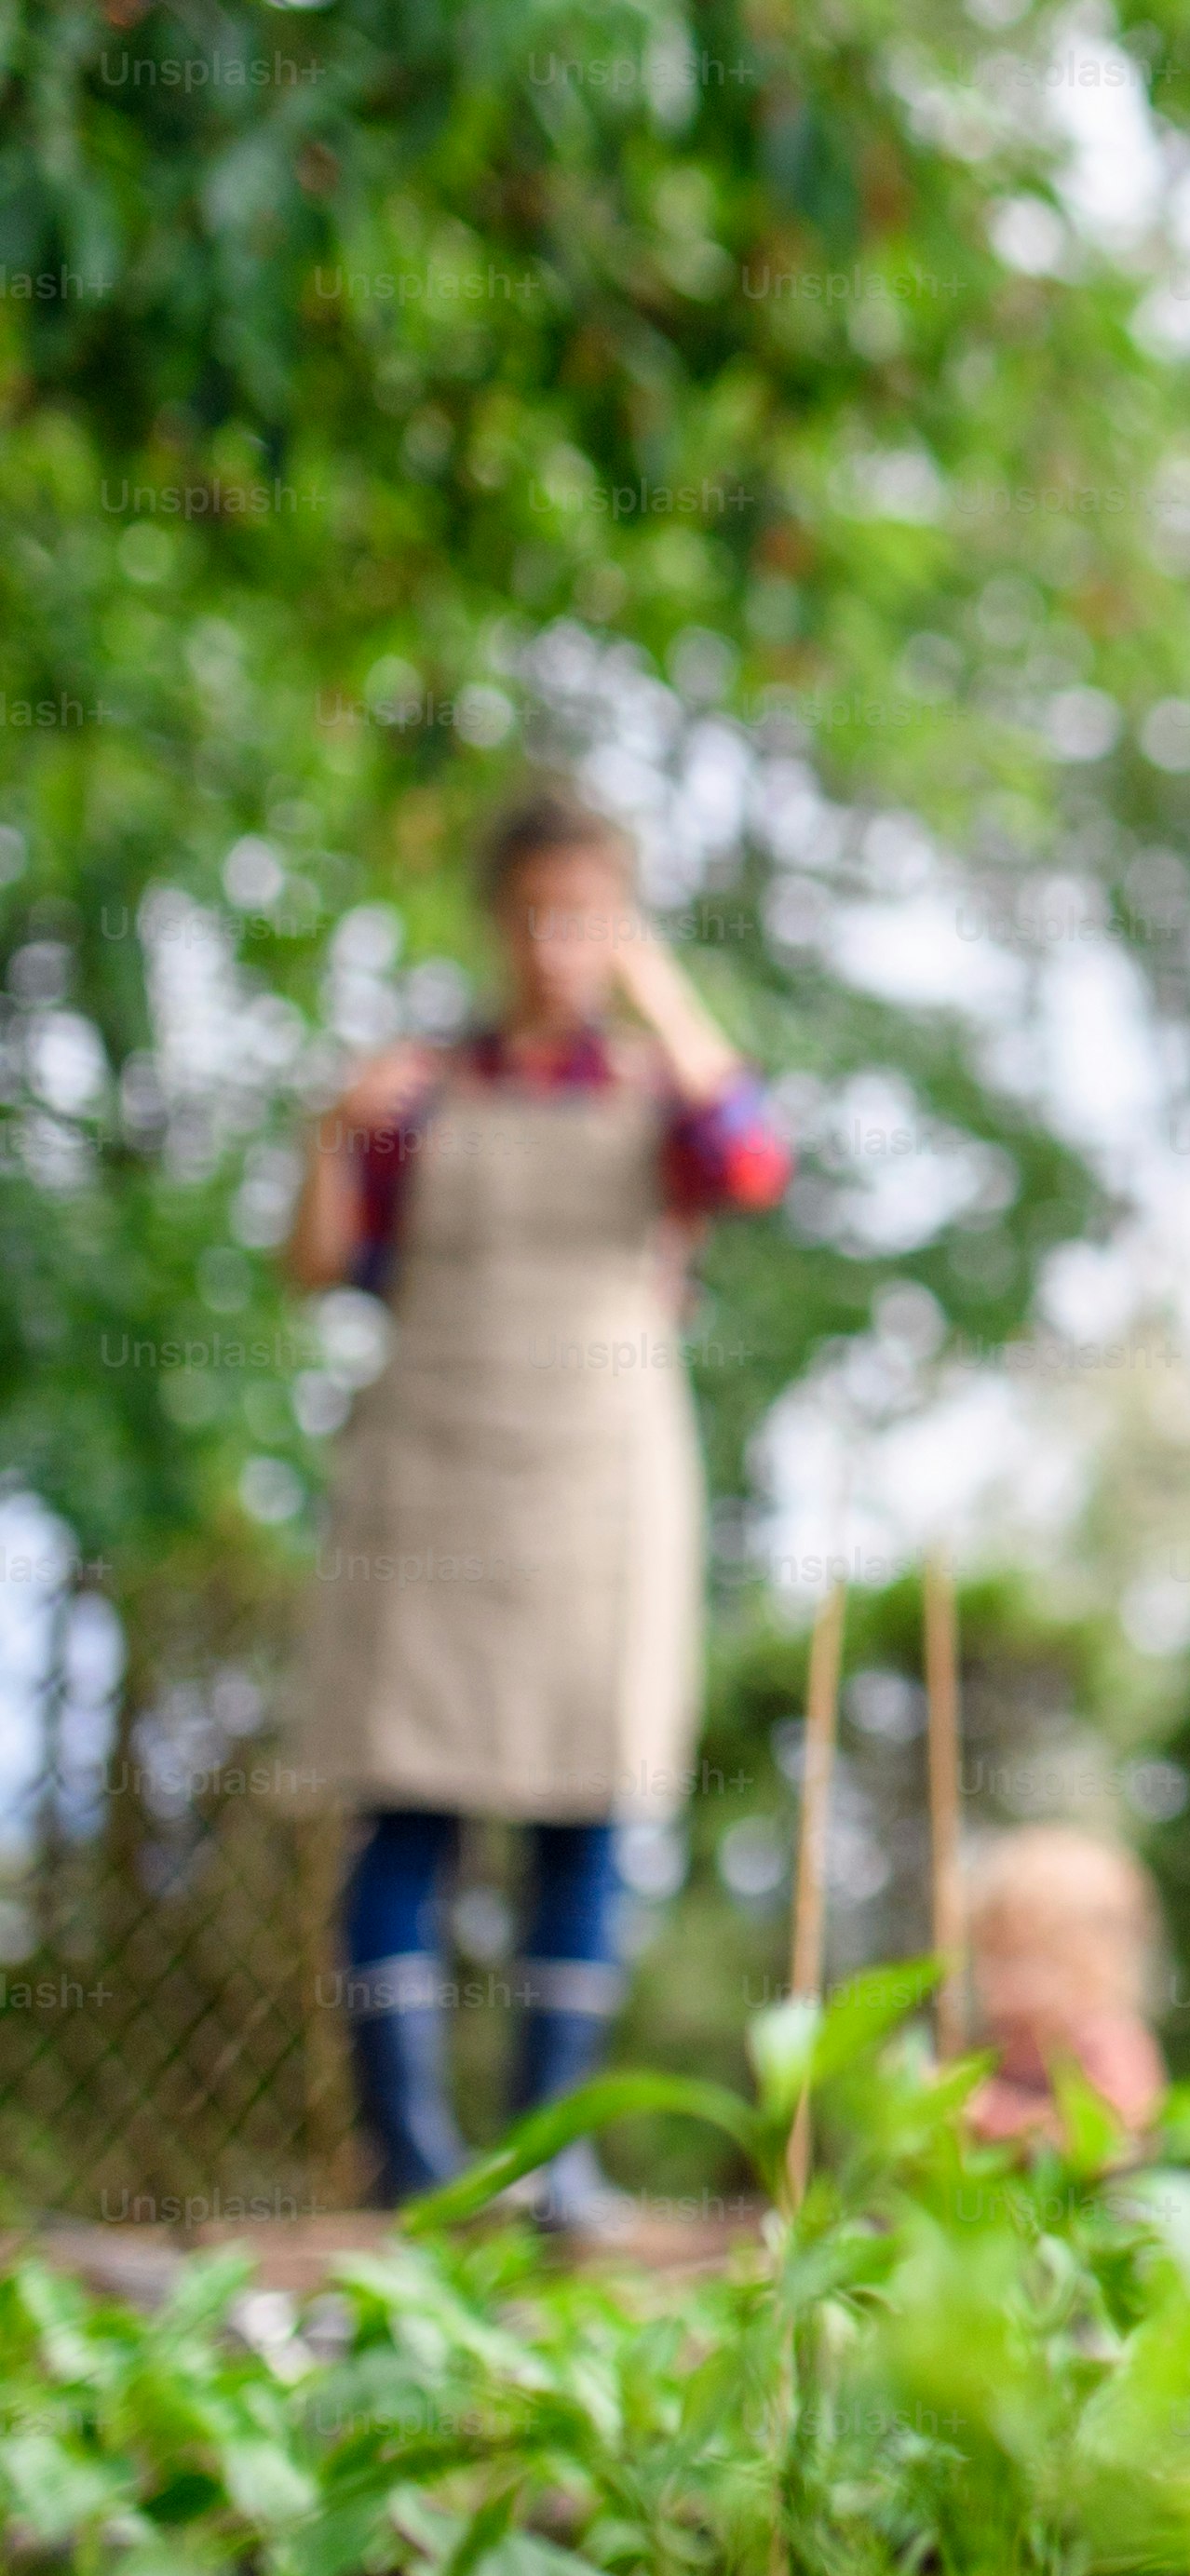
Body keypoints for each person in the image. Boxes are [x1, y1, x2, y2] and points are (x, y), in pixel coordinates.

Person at [286, 781, 790, 2228]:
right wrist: (330, 1128)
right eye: (534, 912)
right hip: (429, 1472)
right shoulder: (411, 1090)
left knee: (587, 1809)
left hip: (596, 1489)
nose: (554, 942)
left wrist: (655, 987)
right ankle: (411, 2167)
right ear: (493, 919)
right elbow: (319, 1263)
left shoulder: (658, 1090)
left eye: (586, 914)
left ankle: (550, 2159)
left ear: (618, 923)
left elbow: (752, 1159)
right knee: (405, 1815)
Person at [953, 1825, 1173, 2151]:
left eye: (1021, 1960)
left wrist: (993, 2115)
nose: (996, 1978)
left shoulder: (1109, 2042)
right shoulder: (997, 2044)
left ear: (1094, 1966)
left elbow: (1111, 2138)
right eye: (990, 1957)